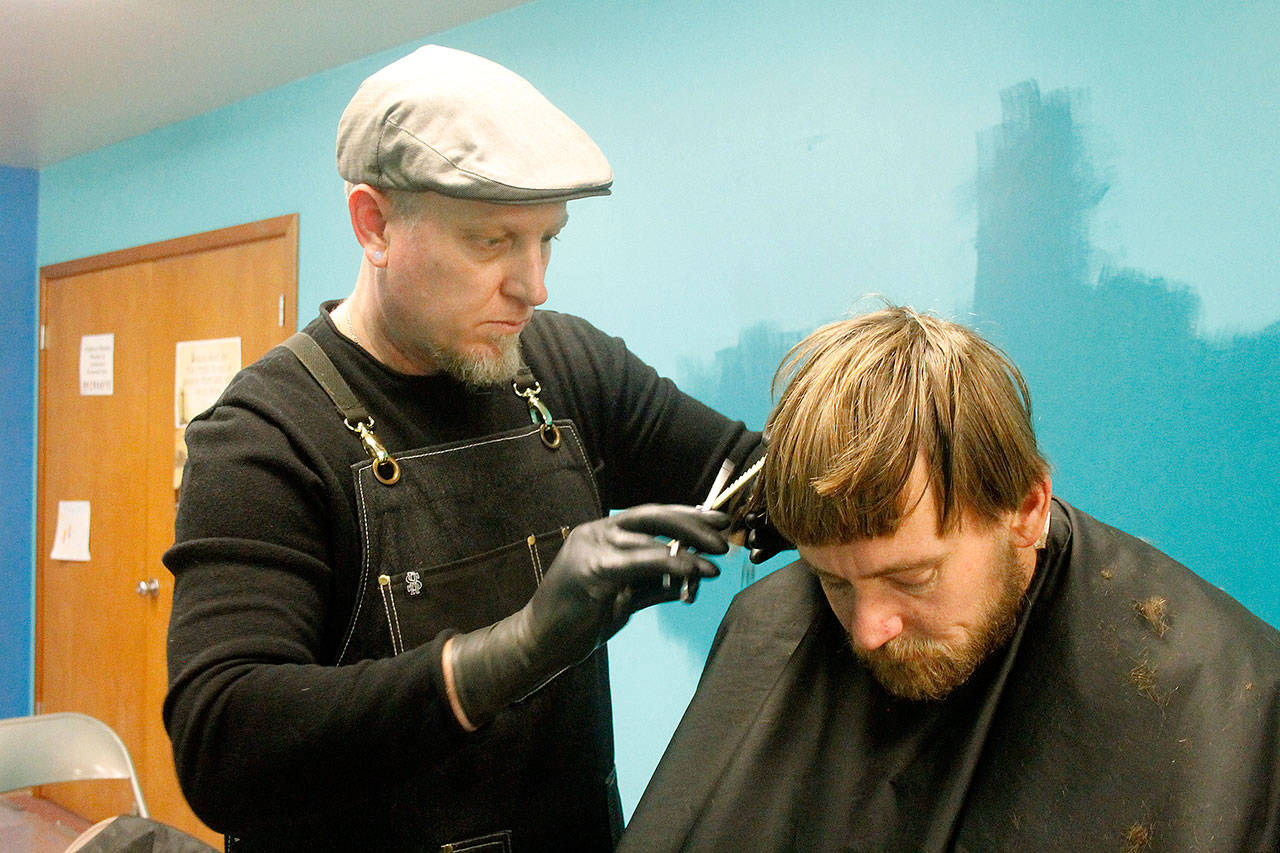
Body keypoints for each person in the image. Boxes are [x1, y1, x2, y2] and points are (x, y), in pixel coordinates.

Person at [163, 44, 761, 851]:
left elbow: (751, 473)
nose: (533, 286)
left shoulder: (570, 367)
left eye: (547, 240)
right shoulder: (264, 436)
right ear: (375, 224)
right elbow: (223, 743)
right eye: (492, 241)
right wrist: (515, 649)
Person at [619, 306, 1280, 852]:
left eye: (912, 577)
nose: (868, 631)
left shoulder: (1230, 704)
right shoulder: (772, 625)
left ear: (1026, 508)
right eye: (833, 583)